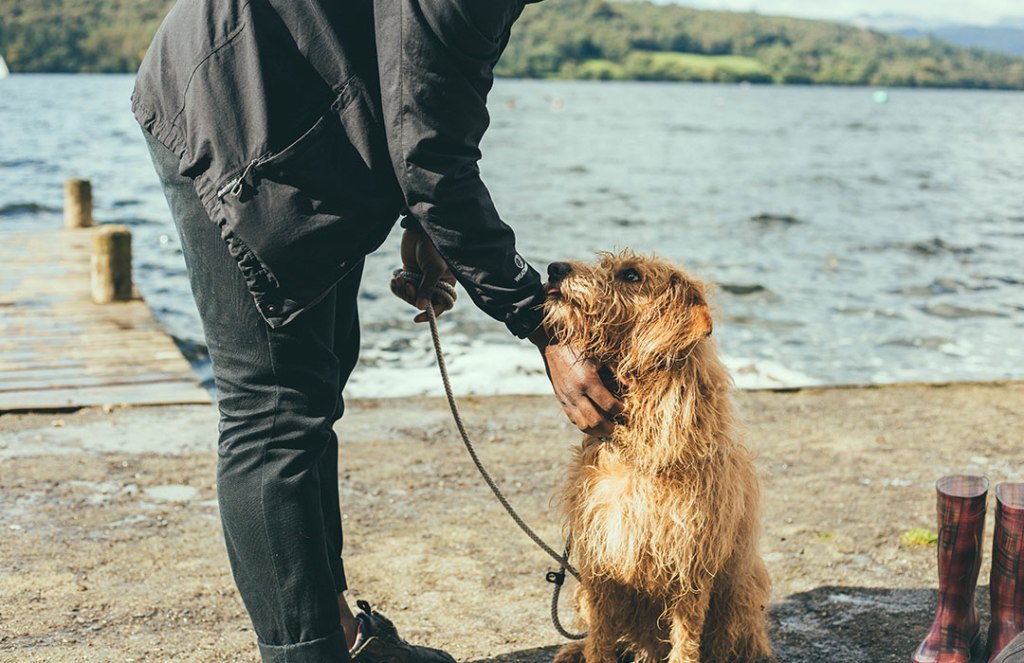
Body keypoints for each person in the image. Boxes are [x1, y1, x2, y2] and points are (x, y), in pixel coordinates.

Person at [132, 1, 623, 661]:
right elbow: (427, 150)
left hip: (306, 113)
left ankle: (341, 635)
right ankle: (306, 652)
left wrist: (425, 222)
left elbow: (440, 84)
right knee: (274, 408)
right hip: (235, 106)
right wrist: (541, 322)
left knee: (319, 378)